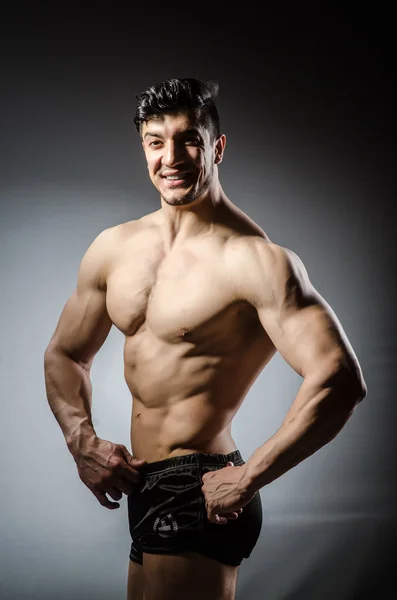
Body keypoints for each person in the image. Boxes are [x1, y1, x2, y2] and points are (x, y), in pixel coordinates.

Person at [44, 78, 367, 600]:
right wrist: (81, 439)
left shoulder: (255, 260)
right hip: (145, 487)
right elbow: (65, 353)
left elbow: (340, 379)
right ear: (143, 147)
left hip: (201, 487)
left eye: (188, 139)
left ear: (217, 147)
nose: (170, 157)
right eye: (155, 141)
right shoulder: (114, 248)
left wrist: (249, 477)